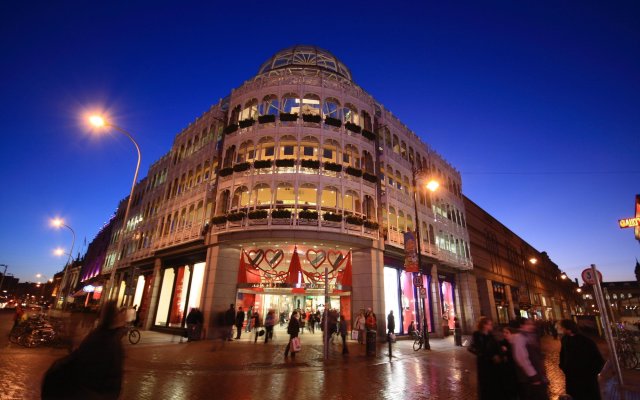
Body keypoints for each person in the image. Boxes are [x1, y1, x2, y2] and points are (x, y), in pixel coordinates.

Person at [41, 301, 124, 399]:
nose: (121, 316)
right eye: (118, 312)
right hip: (94, 392)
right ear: (113, 317)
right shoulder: (105, 339)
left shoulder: (103, 336)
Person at [559, 319, 604, 400]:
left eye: (562, 327)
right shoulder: (565, 340)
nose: (560, 329)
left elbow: (598, 360)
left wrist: (591, 373)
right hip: (572, 378)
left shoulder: (586, 341)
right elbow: (563, 355)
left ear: (567, 328)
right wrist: (563, 366)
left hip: (587, 379)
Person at [510, 318, 549, 400]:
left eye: (532, 324)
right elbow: (522, 358)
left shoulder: (531, 336)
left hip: (537, 374)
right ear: (522, 326)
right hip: (530, 377)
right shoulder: (520, 337)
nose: (531, 326)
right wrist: (533, 375)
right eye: (528, 324)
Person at [469, 317, 500, 400]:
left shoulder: (491, 335)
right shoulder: (477, 334)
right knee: (484, 382)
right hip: (483, 362)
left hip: (492, 362)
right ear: (484, 325)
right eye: (489, 324)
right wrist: (481, 354)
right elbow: (471, 347)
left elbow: (495, 346)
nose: (491, 326)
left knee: (492, 381)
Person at [498, 327, 520, 400]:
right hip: (506, 370)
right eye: (503, 332)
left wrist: (507, 351)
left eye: (507, 332)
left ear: (511, 333)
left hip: (516, 369)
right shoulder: (501, 343)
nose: (504, 334)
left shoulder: (515, 343)